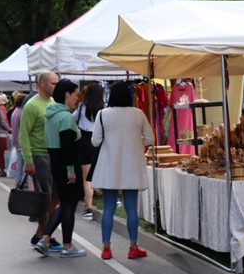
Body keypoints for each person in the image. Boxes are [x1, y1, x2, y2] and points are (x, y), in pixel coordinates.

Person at [91, 81, 155, 260]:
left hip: (109, 165)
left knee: (109, 207)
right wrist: (134, 143)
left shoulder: (103, 114)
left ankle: (106, 248)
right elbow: (150, 138)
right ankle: (133, 246)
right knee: (131, 208)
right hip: (131, 165)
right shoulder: (138, 114)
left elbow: (95, 141)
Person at [33, 79, 86, 258]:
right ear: (67, 94)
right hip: (67, 165)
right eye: (75, 94)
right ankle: (66, 245)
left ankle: (45, 239)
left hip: (56, 163)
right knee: (69, 205)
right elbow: (67, 145)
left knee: (65, 204)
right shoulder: (65, 117)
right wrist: (71, 169)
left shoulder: (51, 114)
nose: (77, 98)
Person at [19, 71, 63, 251]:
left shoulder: (53, 103)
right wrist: (28, 160)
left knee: (55, 197)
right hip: (39, 156)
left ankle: (41, 234)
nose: (56, 86)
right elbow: (24, 134)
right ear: (42, 84)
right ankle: (45, 236)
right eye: (53, 83)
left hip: (54, 156)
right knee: (45, 197)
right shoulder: (31, 105)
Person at [73, 83, 104, 220]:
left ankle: (89, 208)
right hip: (100, 142)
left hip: (84, 142)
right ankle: (112, 199)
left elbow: (72, 119)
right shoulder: (104, 109)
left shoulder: (81, 107)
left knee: (87, 178)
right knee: (102, 173)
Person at [9, 91, 27, 183]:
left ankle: (18, 179)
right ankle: (22, 180)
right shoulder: (21, 113)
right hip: (20, 139)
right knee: (23, 161)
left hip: (15, 138)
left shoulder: (15, 111)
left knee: (20, 160)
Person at [0, 93, 11, 177]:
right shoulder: (1, 109)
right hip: (1, 133)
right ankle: (2, 169)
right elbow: (3, 121)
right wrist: (8, 129)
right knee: (2, 153)